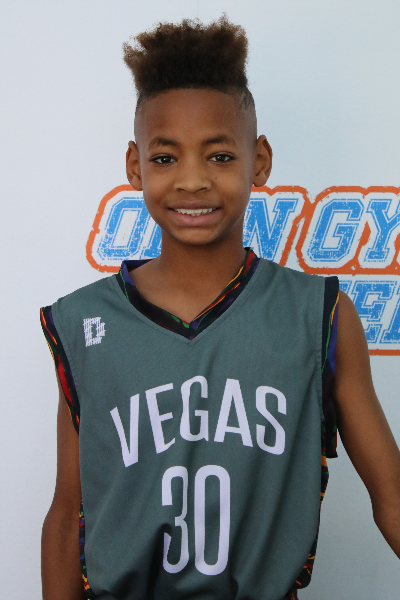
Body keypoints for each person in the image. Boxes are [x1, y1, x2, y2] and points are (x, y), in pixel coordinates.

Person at [40, 16, 400, 600]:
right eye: (165, 159)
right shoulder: (84, 323)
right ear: (134, 166)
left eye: (219, 156)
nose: (192, 181)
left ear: (260, 160)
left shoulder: (319, 315)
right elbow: (66, 516)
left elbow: (392, 496)